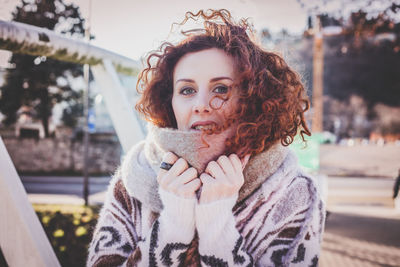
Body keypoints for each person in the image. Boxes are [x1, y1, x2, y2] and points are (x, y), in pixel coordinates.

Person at [87, 9, 325, 266]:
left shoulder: (294, 193)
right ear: (170, 102)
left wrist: (216, 222)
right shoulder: (133, 178)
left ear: (253, 98)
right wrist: (173, 226)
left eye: (221, 88)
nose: (200, 105)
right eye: (187, 90)